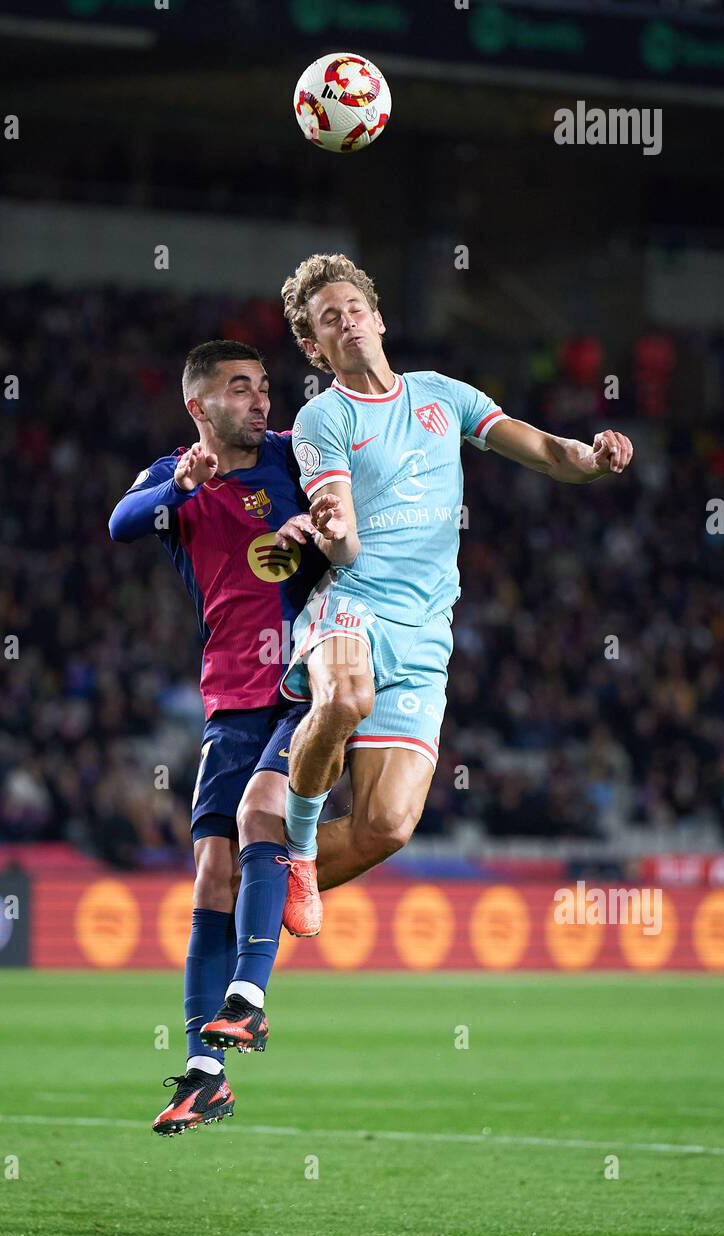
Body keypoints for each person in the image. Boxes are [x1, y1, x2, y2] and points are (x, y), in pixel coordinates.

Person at [275, 253, 634, 936]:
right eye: (328, 319)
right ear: (312, 346)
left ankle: (236, 893)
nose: (346, 322)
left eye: (354, 308)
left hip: (425, 634)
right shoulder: (324, 418)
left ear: (377, 317)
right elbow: (344, 545)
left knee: (386, 827)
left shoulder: (443, 394)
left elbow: (548, 451)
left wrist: (592, 458)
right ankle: (294, 850)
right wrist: (336, 534)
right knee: (347, 698)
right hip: (354, 603)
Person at [109, 340, 331, 1135]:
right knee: (210, 875)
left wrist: (319, 520)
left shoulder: (296, 455)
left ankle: (250, 999)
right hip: (231, 701)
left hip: (310, 683)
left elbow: (350, 509)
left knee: (260, 815)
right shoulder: (175, 482)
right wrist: (180, 481)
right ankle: (206, 1075)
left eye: (265, 385)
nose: (261, 399)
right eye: (240, 389)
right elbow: (120, 523)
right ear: (199, 406)